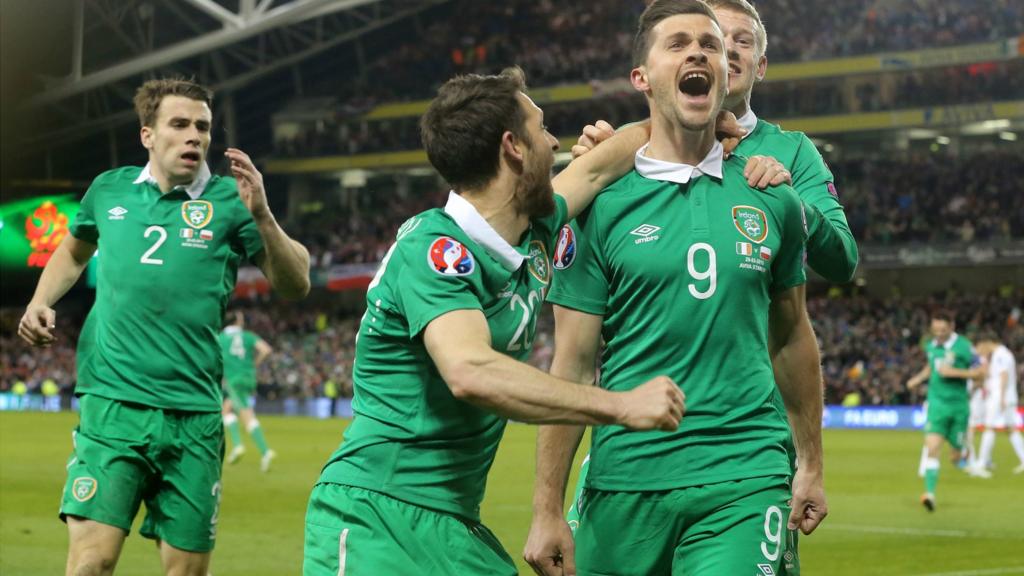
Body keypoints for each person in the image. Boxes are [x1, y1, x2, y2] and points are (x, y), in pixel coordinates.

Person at [302, 67, 782, 576]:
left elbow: (597, 169)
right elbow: (470, 372)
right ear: (513, 148)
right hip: (378, 514)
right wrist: (618, 405)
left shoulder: (532, 230)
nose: (556, 142)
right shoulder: (434, 249)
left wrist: (696, 130)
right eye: (542, 129)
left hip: (454, 523)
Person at [525, 2, 826, 574]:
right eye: (678, 43)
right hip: (626, 478)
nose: (700, 53)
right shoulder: (600, 205)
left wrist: (810, 461)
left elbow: (791, 337)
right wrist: (546, 507)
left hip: (746, 473)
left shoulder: (773, 195)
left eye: (710, 46)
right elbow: (572, 363)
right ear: (642, 78)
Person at [18, 78, 310, 576]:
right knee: (90, 562)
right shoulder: (108, 190)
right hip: (113, 404)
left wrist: (262, 215)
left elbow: (295, 282)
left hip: (194, 415)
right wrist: (40, 299)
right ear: (148, 135)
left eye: (203, 127)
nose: (194, 136)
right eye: (180, 125)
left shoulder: (229, 202)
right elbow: (72, 249)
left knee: (187, 571)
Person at [906, 310, 980, 511]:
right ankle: (929, 494)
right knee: (932, 448)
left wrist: (955, 372)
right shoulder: (930, 345)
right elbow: (931, 367)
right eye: (935, 329)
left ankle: (962, 450)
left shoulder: (965, 347)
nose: (938, 333)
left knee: (955, 458)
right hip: (937, 405)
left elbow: (981, 372)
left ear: (952, 326)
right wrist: (918, 378)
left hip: (958, 407)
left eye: (942, 330)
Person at [218, 310, 276, 472]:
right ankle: (238, 446)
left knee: (246, 415)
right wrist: (253, 364)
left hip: (233, 380)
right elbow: (265, 350)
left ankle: (264, 451)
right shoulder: (248, 336)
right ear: (237, 322)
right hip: (249, 378)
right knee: (226, 409)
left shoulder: (221, 338)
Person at [968, 333, 1024, 476]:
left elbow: (1004, 375)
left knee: (989, 428)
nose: (980, 350)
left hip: (1000, 396)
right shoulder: (1004, 354)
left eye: (980, 346)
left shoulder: (1000, 354)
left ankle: (981, 462)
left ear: (987, 342)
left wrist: (1002, 397)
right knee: (1011, 429)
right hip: (1006, 396)